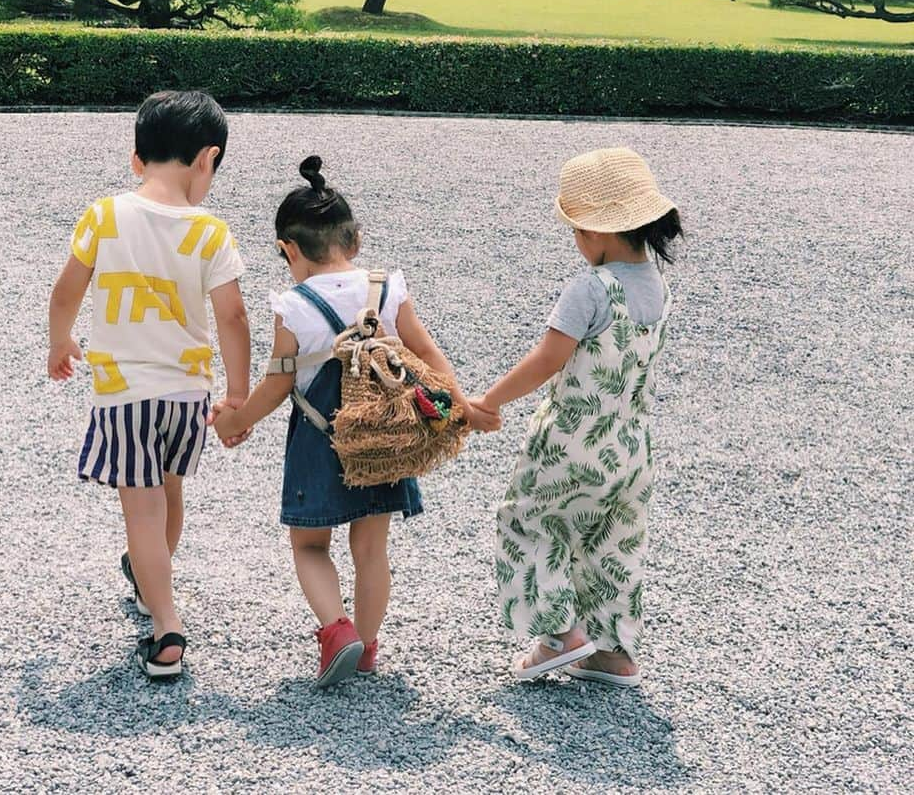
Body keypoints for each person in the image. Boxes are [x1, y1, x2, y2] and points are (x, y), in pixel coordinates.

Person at [213, 155, 496, 688]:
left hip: (322, 435)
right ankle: (366, 648)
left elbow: (278, 383)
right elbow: (427, 352)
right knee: (371, 548)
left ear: (288, 250)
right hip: (384, 435)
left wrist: (237, 420)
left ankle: (336, 629)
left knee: (310, 545)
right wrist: (463, 407)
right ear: (355, 240)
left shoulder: (295, 304)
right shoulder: (386, 288)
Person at [47, 90, 250, 681]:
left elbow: (67, 290)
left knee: (140, 509)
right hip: (188, 393)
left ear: (137, 159)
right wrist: (237, 394)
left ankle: (166, 630)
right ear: (207, 159)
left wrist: (61, 342)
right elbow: (233, 317)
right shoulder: (211, 231)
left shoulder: (104, 215)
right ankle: (149, 584)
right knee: (169, 489)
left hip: (124, 391)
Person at [469, 147, 682, 687]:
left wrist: (488, 401)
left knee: (530, 518)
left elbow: (546, 361)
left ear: (597, 232)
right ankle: (614, 655)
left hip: (573, 442)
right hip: (630, 448)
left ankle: (559, 637)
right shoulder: (657, 286)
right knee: (614, 541)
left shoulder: (591, 289)